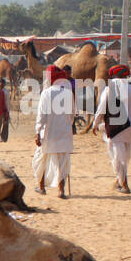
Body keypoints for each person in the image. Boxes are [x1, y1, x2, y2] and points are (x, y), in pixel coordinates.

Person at [94, 63, 131, 193]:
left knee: (116, 156)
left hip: (114, 128)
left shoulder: (108, 89)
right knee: (125, 156)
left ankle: (124, 184)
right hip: (129, 127)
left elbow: (101, 109)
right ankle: (120, 180)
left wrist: (95, 124)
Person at [34, 65, 75, 198]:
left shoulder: (46, 93)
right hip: (64, 132)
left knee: (41, 159)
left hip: (48, 132)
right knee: (63, 161)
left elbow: (42, 116)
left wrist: (37, 131)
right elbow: (72, 115)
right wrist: (67, 126)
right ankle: (61, 190)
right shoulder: (68, 93)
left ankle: (41, 187)